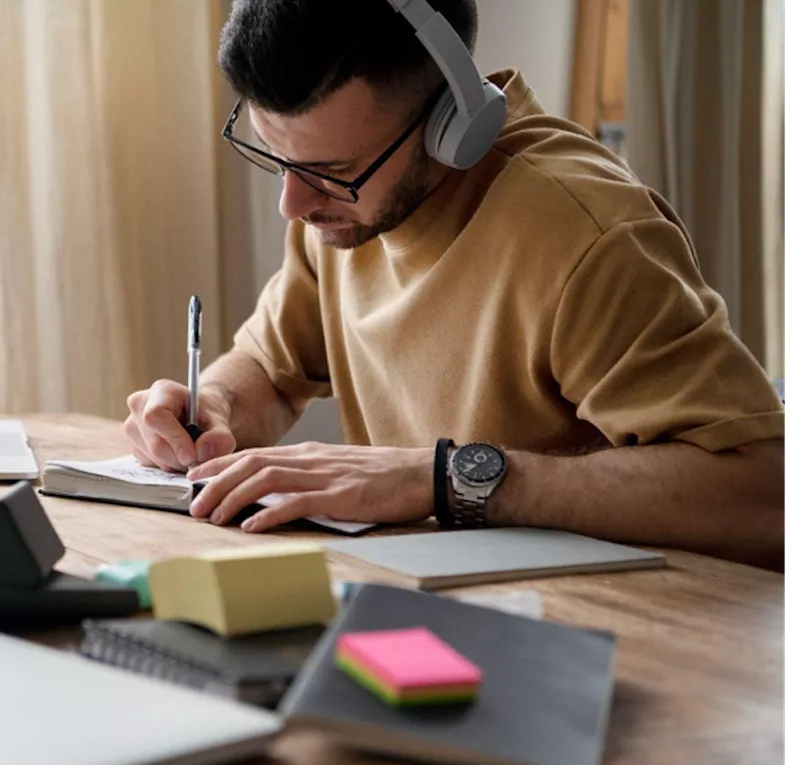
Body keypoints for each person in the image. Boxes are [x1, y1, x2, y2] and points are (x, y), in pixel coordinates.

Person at [122, 0, 784, 568]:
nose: (291, 205)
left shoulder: (588, 235)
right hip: (427, 603)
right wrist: (215, 412)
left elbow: (764, 493)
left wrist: (446, 478)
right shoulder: (340, 210)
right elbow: (269, 368)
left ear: (451, 126)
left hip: (617, 638)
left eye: (329, 170)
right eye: (275, 156)